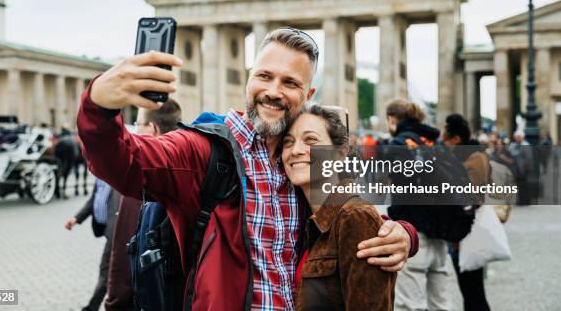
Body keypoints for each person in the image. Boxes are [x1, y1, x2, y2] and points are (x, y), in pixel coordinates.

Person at [77, 28, 418, 310]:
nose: (273, 92)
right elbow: (127, 162)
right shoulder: (203, 151)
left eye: (290, 82)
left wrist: (403, 233)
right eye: (265, 76)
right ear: (248, 79)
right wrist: (99, 107)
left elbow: (346, 215)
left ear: (308, 93)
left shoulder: (301, 159)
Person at [282, 104, 396, 310]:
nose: (296, 150)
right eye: (288, 142)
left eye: (310, 140)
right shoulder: (304, 217)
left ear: (341, 153)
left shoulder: (355, 218)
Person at [105, 100, 182, 311]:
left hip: (145, 297)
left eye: (138, 123)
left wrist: (114, 302)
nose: (135, 129)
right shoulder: (188, 168)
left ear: (152, 128)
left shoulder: (144, 175)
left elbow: (123, 249)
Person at [384, 99, 454, 311]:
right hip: (441, 231)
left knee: (410, 304)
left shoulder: (397, 145)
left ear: (392, 119)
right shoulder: (436, 143)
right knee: (441, 302)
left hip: (412, 231)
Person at [443, 113, 491, 311]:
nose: (443, 144)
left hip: (467, 231)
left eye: (445, 140)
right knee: (471, 292)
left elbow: (469, 194)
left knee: (473, 292)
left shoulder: (473, 159)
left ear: (456, 139)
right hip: (463, 230)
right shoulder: (474, 155)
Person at [65, 178, 121, 311]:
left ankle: (93, 307)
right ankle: (93, 306)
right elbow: (94, 201)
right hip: (107, 232)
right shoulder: (100, 177)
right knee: (106, 271)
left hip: (117, 235)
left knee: (107, 271)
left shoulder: (117, 176)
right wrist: (77, 218)